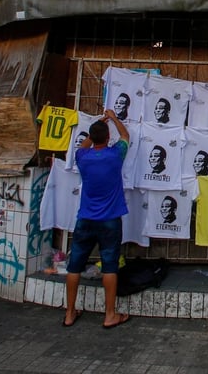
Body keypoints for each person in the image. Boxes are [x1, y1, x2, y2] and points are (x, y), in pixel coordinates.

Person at [63, 109, 132, 329]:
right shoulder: (115, 156)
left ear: (92, 137)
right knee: (110, 267)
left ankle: (70, 313)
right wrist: (113, 118)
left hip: (85, 218)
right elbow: (126, 136)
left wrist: (97, 128)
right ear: (108, 138)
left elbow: (83, 145)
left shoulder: (83, 157)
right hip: (110, 220)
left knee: (74, 267)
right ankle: (110, 315)